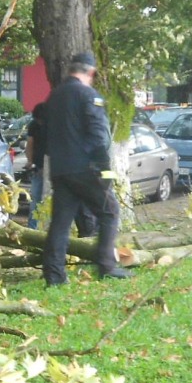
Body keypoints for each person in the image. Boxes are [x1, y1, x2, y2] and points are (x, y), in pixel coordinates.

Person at [41, 52, 132, 286]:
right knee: (109, 211)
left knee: (61, 222)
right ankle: (106, 266)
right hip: (85, 168)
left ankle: (54, 275)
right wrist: (104, 169)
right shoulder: (88, 95)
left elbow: (43, 131)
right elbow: (99, 136)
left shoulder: (54, 96)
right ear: (91, 72)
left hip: (60, 169)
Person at [25, 102, 47, 229]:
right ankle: (32, 227)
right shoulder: (33, 125)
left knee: (44, 199)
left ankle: (44, 227)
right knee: (36, 200)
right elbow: (30, 144)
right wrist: (30, 161)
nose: (39, 122)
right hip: (38, 168)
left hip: (53, 169)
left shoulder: (54, 126)